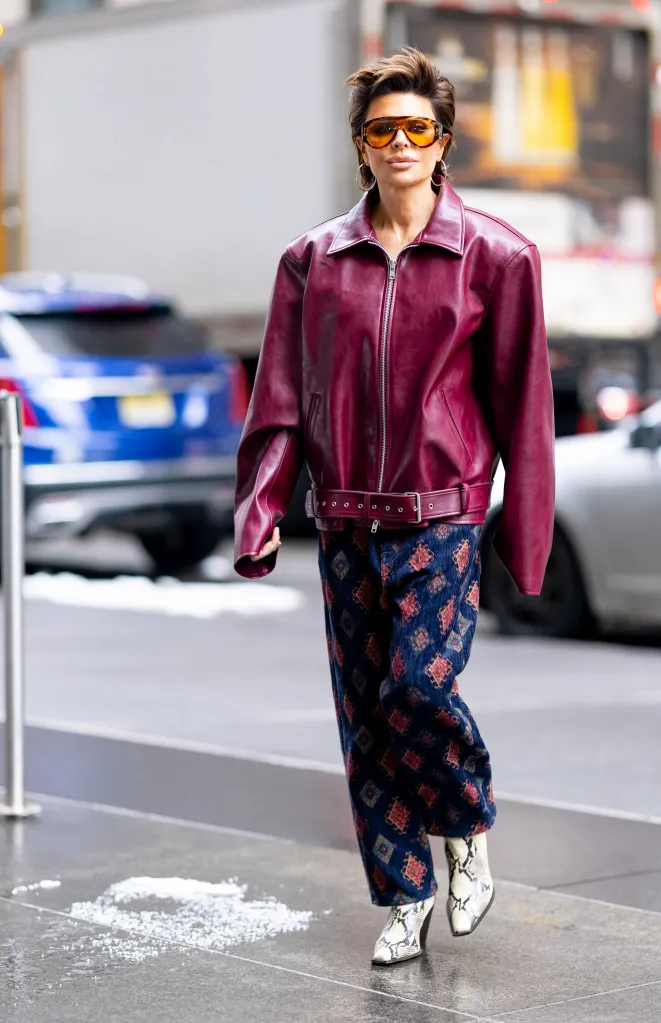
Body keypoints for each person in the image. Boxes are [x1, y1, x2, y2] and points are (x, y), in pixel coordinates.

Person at [234, 47, 554, 966]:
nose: (401, 142)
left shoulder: (496, 256)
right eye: (384, 129)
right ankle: (404, 894)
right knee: (365, 721)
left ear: (443, 142)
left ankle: (465, 823)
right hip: (345, 518)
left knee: (416, 688)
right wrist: (260, 508)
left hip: (442, 515)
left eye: (418, 127)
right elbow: (280, 398)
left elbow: (523, 408)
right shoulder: (311, 261)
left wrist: (525, 536)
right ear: (361, 145)